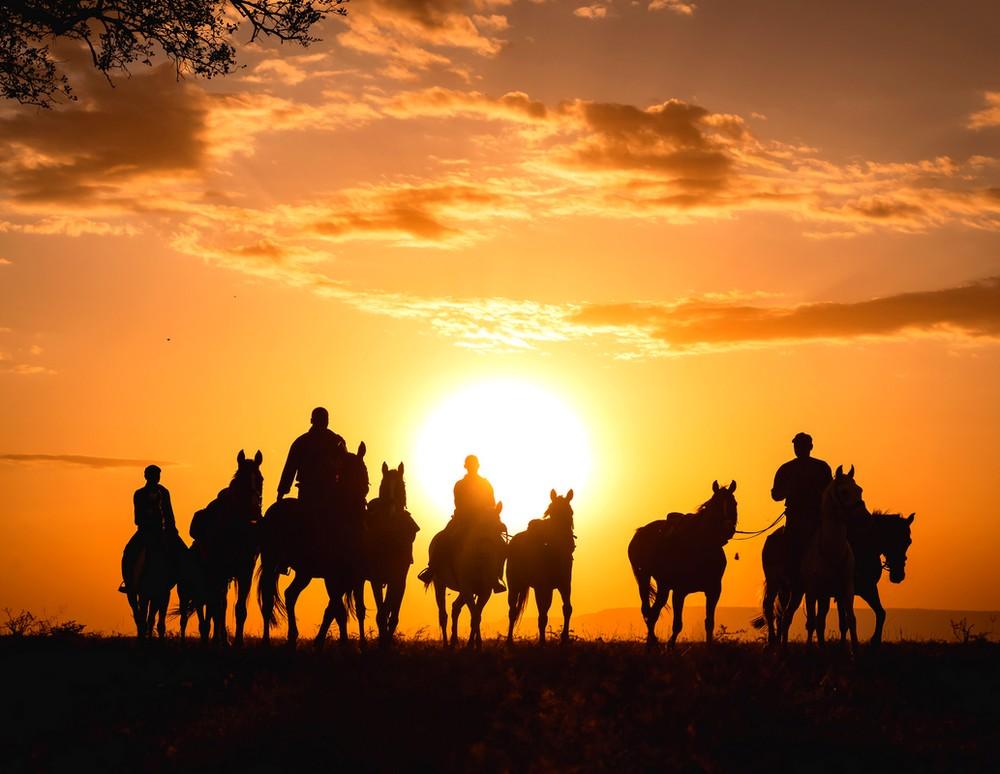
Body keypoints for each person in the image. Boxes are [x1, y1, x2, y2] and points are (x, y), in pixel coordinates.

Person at [418, 455, 507, 593]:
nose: (472, 467)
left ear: (477, 466)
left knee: (501, 544)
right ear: (466, 466)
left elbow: (491, 503)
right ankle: (432, 569)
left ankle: (496, 577)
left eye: (474, 465)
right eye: (470, 465)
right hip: (462, 519)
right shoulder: (460, 484)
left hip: (483, 522)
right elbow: (458, 503)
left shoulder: (486, 484)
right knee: (443, 538)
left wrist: (485, 514)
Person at [771, 432, 833, 565]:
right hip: (795, 519)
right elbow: (776, 495)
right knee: (788, 549)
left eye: (802, 445)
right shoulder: (786, 469)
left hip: (818, 517)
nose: (799, 448)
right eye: (797, 446)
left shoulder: (821, 468)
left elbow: (830, 494)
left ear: (810, 447)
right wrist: (790, 490)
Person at [120, 465, 183, 593]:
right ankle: (129, 582)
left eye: (158, 475)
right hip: (145, 532)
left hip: (163, 531)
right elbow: (137, 518)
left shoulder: (164, 492)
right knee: (129, 552)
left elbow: (169, 513)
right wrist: (149, 518)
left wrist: (172, 530)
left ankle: (184, 578)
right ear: (146, 476)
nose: (156, 478)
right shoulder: (139, 494)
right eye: (153, 475)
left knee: (184, 553)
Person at [277, 406, 347, 511]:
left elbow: (346, 467)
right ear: (312, 421)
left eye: (324, 420)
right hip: (308, 493)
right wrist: (281, 491)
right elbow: (290, 469)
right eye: (321, 420)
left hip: (331, 493)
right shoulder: (301, 443)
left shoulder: (336, 442)